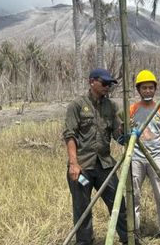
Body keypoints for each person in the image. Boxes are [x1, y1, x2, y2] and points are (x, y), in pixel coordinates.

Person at [62, 68, 129, 245]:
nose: (108, 87)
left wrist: (125, 133)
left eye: (110, 84)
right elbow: (70, 135)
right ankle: (84, 241)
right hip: (83, 169)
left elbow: (117, 135)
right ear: (92, 82)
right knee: (82, 208)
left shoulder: (112, 106)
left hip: (105, 166)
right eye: (104, 83)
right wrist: (73, 164)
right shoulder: (77, 105)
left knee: (118, 203)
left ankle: (129, 239)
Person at [129, 70, 160, 242]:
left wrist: (158, 151)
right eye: (145, 88)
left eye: (151, 88)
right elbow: (127, 133)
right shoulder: (132, 109)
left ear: (155, 89)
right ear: (139, 90)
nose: (148, 91)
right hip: (136, 157)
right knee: (134, 194)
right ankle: (133, 231)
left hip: (156, 157)